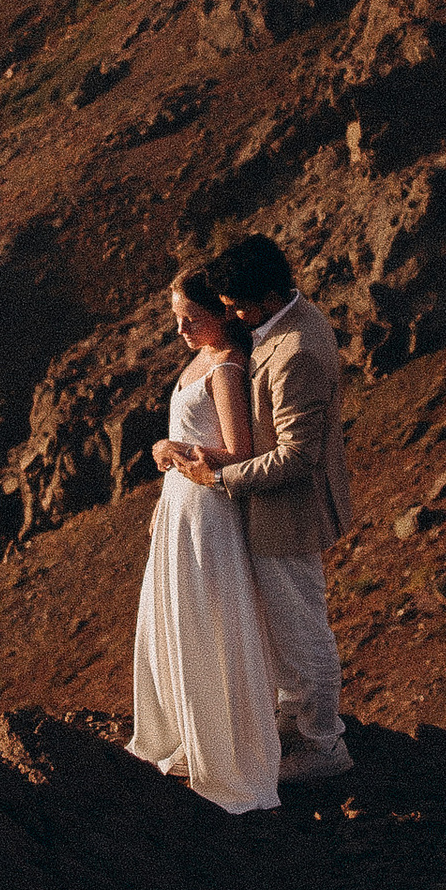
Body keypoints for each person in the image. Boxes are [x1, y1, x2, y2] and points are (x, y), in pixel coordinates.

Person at [167, 233, 353, 787]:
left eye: (237, 306)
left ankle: (323, 747)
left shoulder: (296, 350)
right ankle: (295, 734)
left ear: (267, 296)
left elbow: (296, 457)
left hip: (288, 512)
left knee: (301, 635)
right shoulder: (282, 326)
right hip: (268, 511)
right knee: (280, 631)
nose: (231, 316)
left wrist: (218, 476)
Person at [129, 271, 283, 813]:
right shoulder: (200, 359)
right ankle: (181, 736)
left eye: (191, 319)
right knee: (173, 618)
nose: (181, 329)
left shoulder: (225, 366)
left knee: (204, 622)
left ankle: (221, 750)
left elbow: (239, 450)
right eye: (177, 318)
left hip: (207, 508)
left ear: (219, 313)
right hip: (179, 506)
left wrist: (175, 450)